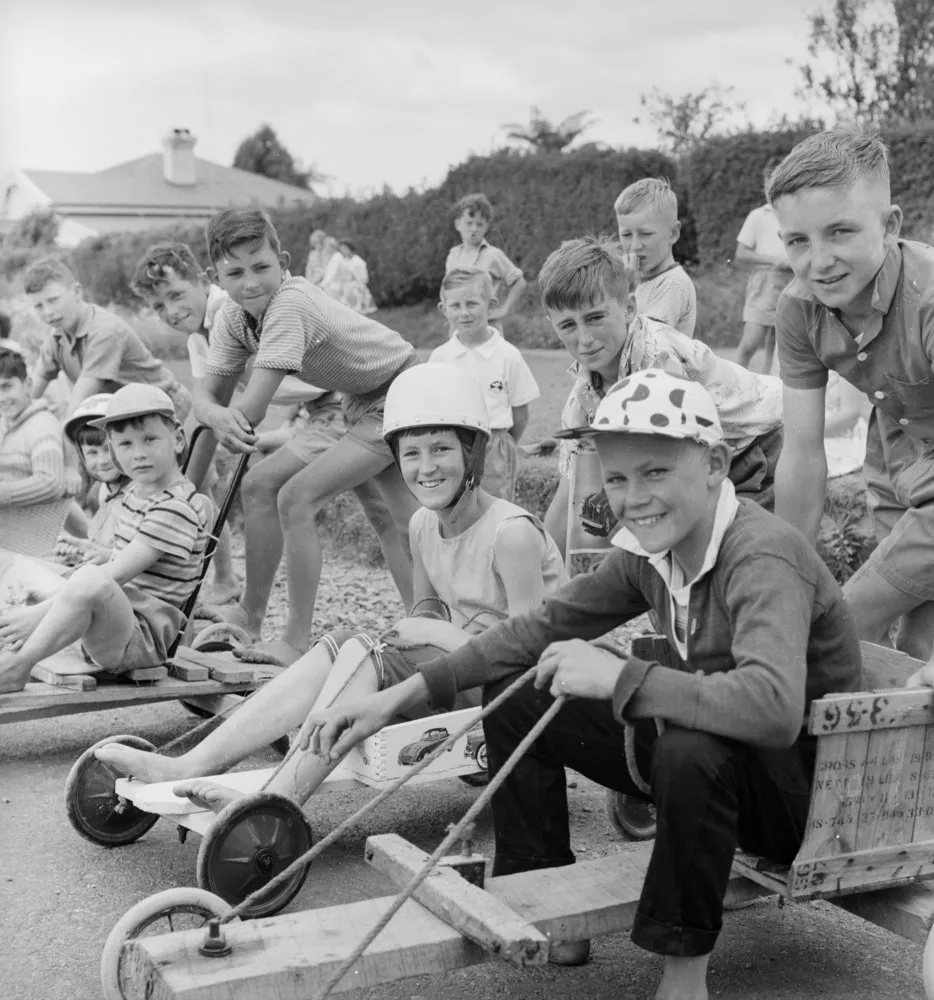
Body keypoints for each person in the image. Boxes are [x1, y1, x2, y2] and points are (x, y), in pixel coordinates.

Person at [286, 370, 863, 997]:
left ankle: (684, 975)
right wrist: (399, 695)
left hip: (802, 802)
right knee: (529, 681)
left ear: (716, 465)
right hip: (711, 754)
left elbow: (775, 711)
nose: (633, 497)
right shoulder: (651, 551)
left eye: (655, 473)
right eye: (616, 478)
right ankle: (544, 899)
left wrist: (622, 676)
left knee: (690, 749)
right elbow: (540, 626)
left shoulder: (760, 555)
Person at [93, 364, 566, 803]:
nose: (426, 468)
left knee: (367, 652)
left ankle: (278, 799)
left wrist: (436, 636)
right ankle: (189, 763)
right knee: (342, 642)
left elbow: (525, 658)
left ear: (472, 451)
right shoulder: (423, 524)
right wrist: (426, 633)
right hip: (456, 673)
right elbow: (425, 615)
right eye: (411, 454)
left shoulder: (512, 534)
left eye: (442, 449)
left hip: (504, 694)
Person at [771, 128, 934, 728]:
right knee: (909, 653)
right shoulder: (799, 306)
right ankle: (894, 804)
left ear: (890, 223)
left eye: (840, 231)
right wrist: (779, 580)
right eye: (797, 240)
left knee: (842, 625)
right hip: (898, 456)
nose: (818, 261)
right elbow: (801, 454)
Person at [191, 207, 422, 666]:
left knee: (295, 498)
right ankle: (423, 625)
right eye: (234, 273)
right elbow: (208, 395)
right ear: (215, 277)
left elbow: (249, 410)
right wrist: (210, 415)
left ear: (285, 261)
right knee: (394, 518)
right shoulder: (235, 320)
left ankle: (296, 641)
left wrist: (214, 414)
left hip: (400, 392)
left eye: (261, 267)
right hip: (360, 400)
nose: (251, 282)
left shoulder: (289, 305)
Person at [538, 237, 783, 557]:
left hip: (756, 446)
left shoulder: (657, 356)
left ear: (628, 308)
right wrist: (542, 565)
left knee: (727, 554)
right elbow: (570, 493)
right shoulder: (582, 400)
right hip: (708, 458)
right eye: (568, 325)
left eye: (595, 317)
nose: (584, 338)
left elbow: (673, 473)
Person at [0, 384, 209, 693]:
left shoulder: (174, 507)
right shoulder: (136, 494)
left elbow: (112, 576)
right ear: (113, 448)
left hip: (139, 640)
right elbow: (121, 559)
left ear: (177, 439)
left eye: (149, 439)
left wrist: (37, 614)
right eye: (125, 444)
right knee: (14, 562)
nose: (138, 454)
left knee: (87, 579)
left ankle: (19, 664)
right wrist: (97, 552)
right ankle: (12, 641)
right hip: (112, 614)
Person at [22, 258, 193, 425]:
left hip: (164, 405)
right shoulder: (56, 337)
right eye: (39, 306)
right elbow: (29, 392)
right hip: (128, 411)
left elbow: (80, 401)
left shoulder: (104, 331)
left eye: (53, 300)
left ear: (76, 292)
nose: (48, 312)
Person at [429, 268, 539, 501]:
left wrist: (504, 445)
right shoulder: (440, 358)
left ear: (491, 305)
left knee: (493, 509)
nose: (464, 313)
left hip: (494, 446)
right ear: (443, 309)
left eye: (472, 303)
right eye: (455, 306)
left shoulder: (508, 356)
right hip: (451, 444)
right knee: (453, 504)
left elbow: (521, 414)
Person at [734, 159, 795, 373]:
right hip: (765, 281)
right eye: (770, 184)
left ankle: (774, 387)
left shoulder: (794, 213)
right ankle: (731, 386)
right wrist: (772, 261)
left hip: (792, 280)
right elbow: (741, 253)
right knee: (751, 341)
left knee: (780, 343)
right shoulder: (758, 216)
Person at [615, 178, 696, 337]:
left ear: (673, 233)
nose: (634, 246)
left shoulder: (673, 283)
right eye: (626, 235)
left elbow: (645, 341)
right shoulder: (644, 281)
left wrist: (625, 287)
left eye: (645, 234)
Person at [53, 393, 124, 561]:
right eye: (92, 452)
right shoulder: (102, 491)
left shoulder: (139, 494)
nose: (102, 460)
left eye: (108, 449)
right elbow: (103, 545)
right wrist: (80, 550)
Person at [0, 344, 69, 513]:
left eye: (6, 387)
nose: (1, 398)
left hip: (34, 529)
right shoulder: (5, 423)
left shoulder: (41, 424)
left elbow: (51, 483)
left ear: (27, 384)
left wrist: (4, 492)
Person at [445, 193, 527, 330]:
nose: (474, 229)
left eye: (479, 224)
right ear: (458, 224)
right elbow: (446, 291)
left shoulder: (493, 255)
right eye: (469, 223)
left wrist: (504, 310)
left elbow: (520, 283)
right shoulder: (452, 255)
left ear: (486, 226)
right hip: (458, 328)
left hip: (487, 327)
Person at [337, 240, 378, 315]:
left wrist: (356, 282)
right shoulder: (343, 261)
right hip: (346, 285)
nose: (343, 251)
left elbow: (363, 278)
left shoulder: (358, 261)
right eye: (341, 250)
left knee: (355, 292)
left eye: (345, 249)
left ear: (350, 249)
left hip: (356, 285)